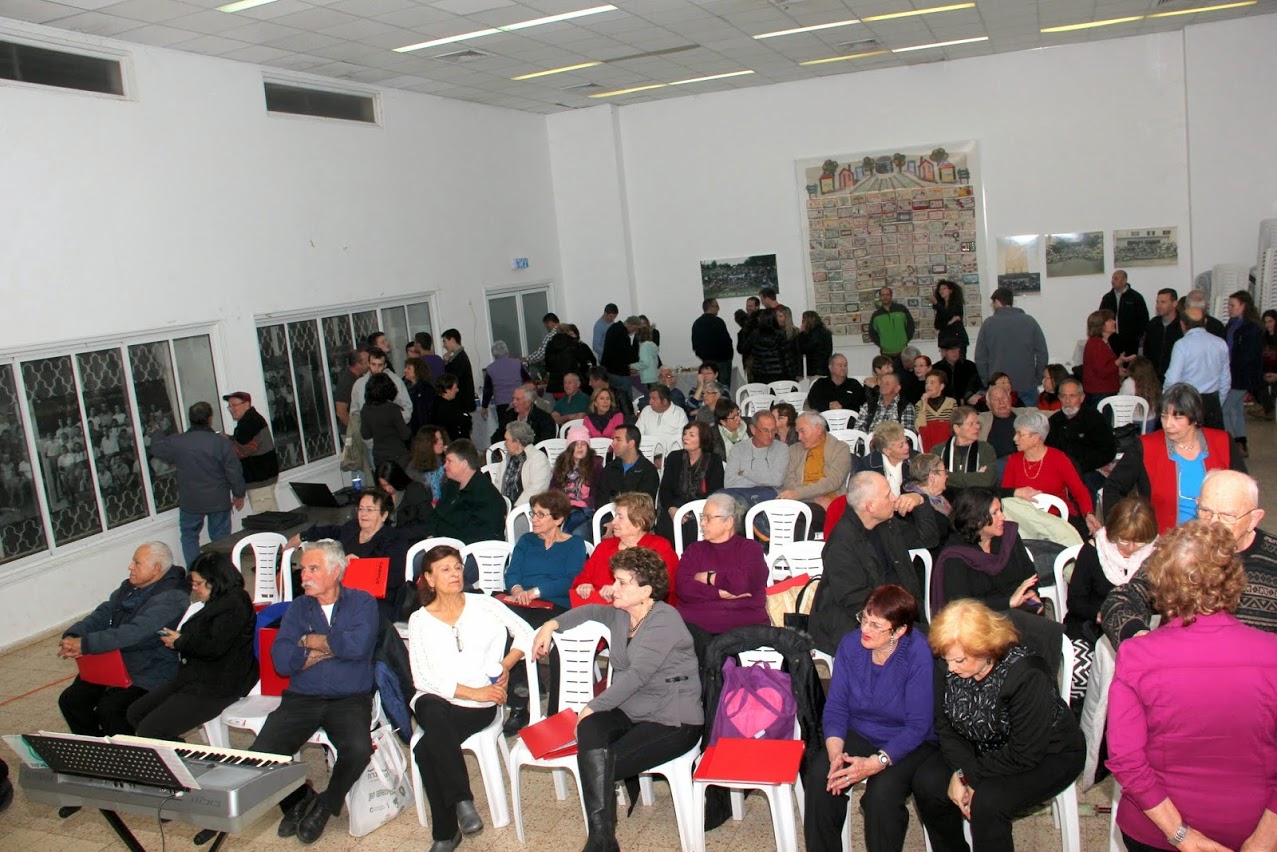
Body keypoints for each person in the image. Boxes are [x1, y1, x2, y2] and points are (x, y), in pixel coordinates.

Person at [1106, 520, 1277, 852]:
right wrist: (1265, 838)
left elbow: (1127, 760)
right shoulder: (1271, 653)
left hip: (1157, 831)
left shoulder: (1136, 656)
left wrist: (1181, 835)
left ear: (1162, 584)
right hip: (1253, 825)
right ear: (1234, 579)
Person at [531, 547, 703, 852]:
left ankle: (600, 841)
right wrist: (550, 625)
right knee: (591, 732)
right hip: (633, 709)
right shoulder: (622, 614)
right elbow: (589, 611)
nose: (613, 588)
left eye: (622, 582)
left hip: (673, 718)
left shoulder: (665, 619)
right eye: (615, 580)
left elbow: (637, 676)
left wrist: (591, 706)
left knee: (597, 766)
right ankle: (603, 838)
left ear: (646, 591)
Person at [914, 600, 1085, 852]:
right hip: (982, 743)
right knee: (926, 783)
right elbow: (945, 726)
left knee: (988, 803)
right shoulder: (948, 662)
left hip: (1047, 753)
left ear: (985, 649)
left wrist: (966, 776)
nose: (951, 668)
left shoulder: (1026, 675)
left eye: (960, 660)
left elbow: (1024, 753)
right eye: (947, 659)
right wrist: (963, 769)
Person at [251, 540, 378, 845]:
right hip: (303, 697)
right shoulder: (299, 607)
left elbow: (358, 647)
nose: (304, 575)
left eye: (313, 568)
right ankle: (298, 800)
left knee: (358, 749)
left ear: (335, 571)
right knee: (262, 754)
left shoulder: (362, 602)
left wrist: (309, 641)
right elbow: (281, 661)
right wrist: (334, 645)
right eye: (303, 569)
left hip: (349, 698)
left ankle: (325, 804)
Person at [407, 544, 533, 851]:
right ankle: (462, 800)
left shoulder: (484, 605)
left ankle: (445, 834)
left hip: (479, 704)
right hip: (437, 698)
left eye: (457, 567)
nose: (454, 574)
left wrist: (505, 665)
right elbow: (422, 678)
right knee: (430, 706)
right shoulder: (420, 620)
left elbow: (527, 633)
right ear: (429, 578)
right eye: (445, 570)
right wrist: (472, 690)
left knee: (426, 748)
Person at [804, 584, 937, 852]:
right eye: (864, 618)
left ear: (899, 631)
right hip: (862, 730)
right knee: (820, 777)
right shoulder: (850, 645)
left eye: (876, 625)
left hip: (909, 740)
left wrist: (878, 762)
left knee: (881, 795)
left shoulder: (917, 652)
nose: (865, 628)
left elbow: (918, 726)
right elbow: (837, 707)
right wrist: (835, 755)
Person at [1102, 469, 1277, 644]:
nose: (1213, 523)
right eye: (1205, 511)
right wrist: (1139, 637)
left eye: (1227, 516)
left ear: (1254, 519)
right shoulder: (1181, 550)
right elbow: (1122, 599)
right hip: (1180, 657)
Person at [57, 543, 189, 740]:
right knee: (71, 701)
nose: (130, 566)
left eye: (137, 563)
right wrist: (74, 636)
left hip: (150, 670)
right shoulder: (130, 588)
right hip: (116, 663)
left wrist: (86, 644)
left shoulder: (172, 597)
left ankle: (132, 755)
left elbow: (135, 634)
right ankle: (100, 751)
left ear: (156, 568)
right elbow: (103, 614)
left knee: (111, 710)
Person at [126, 551, 258, 741]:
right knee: (136, 713)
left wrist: (179, 641)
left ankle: (179, 756)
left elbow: (215, 647)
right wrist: (180, 638)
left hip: (220, 685)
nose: (194, 588)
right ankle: (176, 751)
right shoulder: (217, 600)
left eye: (198, 583)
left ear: (215, 581)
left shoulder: (235, 603)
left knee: (151, 729)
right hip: (195, 676)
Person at [810, 473, 937, 654]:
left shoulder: (886, 524)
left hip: (900, 617)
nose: (894, 498)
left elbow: (929, 539)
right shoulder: (841, 544)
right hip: (861, 627)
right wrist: (901, 627)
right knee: (930, 651)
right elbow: (858, 603)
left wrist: (920, 500)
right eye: (887, 495)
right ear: (870, 506)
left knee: (947, 643)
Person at [1100, 384, 1238, 534]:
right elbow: (1113, 487)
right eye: (1164, 416)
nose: (1167, 424)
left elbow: (1242, 491)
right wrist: (1122, 529)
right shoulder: (1145, 447)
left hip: (1214, 537)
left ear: (1195, 418)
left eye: (1177, 418)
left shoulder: (1222, 442)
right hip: (1164, 539)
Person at [288, 488, 410, 621]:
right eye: (361, 509)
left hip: (375, 599)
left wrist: (359, 567)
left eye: (369, 510)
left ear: (384, 515)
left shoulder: (394, 539)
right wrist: (302, 536)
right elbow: (331, 530)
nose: (363, 514)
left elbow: (394, 578)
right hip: (341, 591)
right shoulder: (352, 527)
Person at [150, 401, 246, 566]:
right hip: (218, 499)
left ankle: (195, 573)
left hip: (191, 500)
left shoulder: (178, 442)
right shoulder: (220, 442)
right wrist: (239, 493)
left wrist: (157, 432)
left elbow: (157, 449)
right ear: (209, 419)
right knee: (221, 539)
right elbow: (234, 471)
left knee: (189, 536)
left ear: (190, 419)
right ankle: (220, 573)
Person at [930, 488, 1041, 616]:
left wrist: (1031, 593)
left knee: (1044, 625)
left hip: (1019, 609)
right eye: (995, 513)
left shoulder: (1009, 537)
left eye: (1000, 510)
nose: (1003, 517)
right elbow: (961, 604)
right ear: (977, 520)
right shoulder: (956, 554)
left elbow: (1029, 574)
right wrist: (1008, 602)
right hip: (981, 619)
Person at [1064, 495, 1155, 646]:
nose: (1130, 548)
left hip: (1140, 628)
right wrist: (1101, 614)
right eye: (1124, 540)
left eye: (1139, 542)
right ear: (1113, 533)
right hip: (1091, 626)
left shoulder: (1155, 554)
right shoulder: (1094, 551)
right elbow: (1075, 601)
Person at [674, 493, 768, 633]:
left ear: (728, 522)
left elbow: (744, 582)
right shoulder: (694, 550)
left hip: (743, 627)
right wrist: (719, 593)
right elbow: (683, 587)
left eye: (708, 518)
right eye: (702, 517)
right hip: (696, 627)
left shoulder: (750, 548)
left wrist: (709, 578)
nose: (702, 523)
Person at [570, 492, 678, 606]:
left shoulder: (659, 547)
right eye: (615, 516)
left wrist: (619, 590)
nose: (613, 522)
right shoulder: (604, 546)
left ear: (639, 522)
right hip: (597, 608)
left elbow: (663, 589)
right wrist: (584, 585)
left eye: (620, 517)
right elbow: (582, 577)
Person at [1001, 410, 1095, 534]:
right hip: (1025, 521)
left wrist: (1088, 513)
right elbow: (1006, 494)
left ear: (1036, 437)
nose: (1015, 438)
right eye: (1015, 433)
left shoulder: (1058, 458)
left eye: (1020, 434)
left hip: (1058, 518)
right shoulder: (1014, 460)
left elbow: (1079, 490)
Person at [973, 287, 1048, 407]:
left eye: (993, 303)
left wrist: (988, 381)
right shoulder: (1030, 321)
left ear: (997, 301)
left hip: (998, 386)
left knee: (1002, 417)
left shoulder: (988, 324)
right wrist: (1037, 378)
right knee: (1029, 417)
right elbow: (1042, 354)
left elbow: (980, 357)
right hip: (1026, 383)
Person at [422, 439, 507, 545]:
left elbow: (475, 535)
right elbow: (437, 514)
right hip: (445, 541)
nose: (445, 466)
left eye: (449, 461)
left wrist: (438, 538)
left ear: (464, 464)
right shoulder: (452, 485)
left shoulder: (485, 496)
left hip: (473, 549)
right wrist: (431, 534)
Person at [779, 411, 854, 529]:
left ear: (818, 429)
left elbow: (833, 481)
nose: (799, 437)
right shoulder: (794, 450)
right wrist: (813, 498)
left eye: (802, 431)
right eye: (798, 433)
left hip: (828, 504)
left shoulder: (840, 448)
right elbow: (789, 480)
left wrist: (798, 494)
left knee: (794, 517)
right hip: (802, 501)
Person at [1045, 378, 1116, 497]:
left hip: (1090, 469)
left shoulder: (1095, 419)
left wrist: (1077, 467)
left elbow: (1108, 451)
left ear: (1081, 398)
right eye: (1063, 396)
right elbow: (1047, 449)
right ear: (1059, 398)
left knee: (1084, 483)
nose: (1067, 401)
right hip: (1061, 469)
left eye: (1072, 396)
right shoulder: (1054, 421)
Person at [655, 421, 723, 543]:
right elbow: (665, 488)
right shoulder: (674, 457)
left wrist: (692, 510)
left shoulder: (714, 460)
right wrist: (671, 509)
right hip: (676, 505)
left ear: (703, 439)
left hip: (702, 506)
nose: (685, 438)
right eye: (685, 434)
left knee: (694, 524)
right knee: (667, 521)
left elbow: (715, 491)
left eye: (691, 435)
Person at [1163, 307, 1229, 430]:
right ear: (1205, 322)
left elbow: (1172, 380)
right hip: (1212, 401)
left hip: (1187, 402)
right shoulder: (1220, 343)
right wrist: (1218, 402)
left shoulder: (1181, 345)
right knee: (1213, 439)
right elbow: (1225, 380)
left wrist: (1166, 401)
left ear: (1182, 324)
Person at [720, 410, 789, 515]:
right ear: (753, 429)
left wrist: (746, 472)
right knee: (718, 498)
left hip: (768, 495)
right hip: (739, 493)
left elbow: (776, 480)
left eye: (773, 430)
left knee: (745, 507)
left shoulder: (782, 448)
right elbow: (729, 482)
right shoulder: (738, 449)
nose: (770, 435)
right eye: (765, 430)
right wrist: (764, 481)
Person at [1223, 289, 1264, 457]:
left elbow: (1248, 356)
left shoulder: (1252, 328)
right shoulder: (1232, 324)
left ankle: (1231, 445)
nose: (1229, 308)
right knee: (1236, 409)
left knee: (1224, 409)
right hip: (1232, 374)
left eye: (1232, 305)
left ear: (1243, 306)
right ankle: (1241, 443)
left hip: (1242, 376)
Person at [222, 391, 279, 512]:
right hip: (264, 477)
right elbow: (245, 444)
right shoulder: (251, 420)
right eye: (229, 406)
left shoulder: (249, 423)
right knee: (273, 515)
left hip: (260, 480)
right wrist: (229, 438)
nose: (231, 409)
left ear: (246, 404)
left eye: (234, 405)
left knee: (265, 518)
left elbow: (241, 451)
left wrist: (225, 442)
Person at [551, 426, 605, 537]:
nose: (579, 447)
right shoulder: (561, 464)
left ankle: (564, 541)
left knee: (573, 523)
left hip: (584, 509)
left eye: (583, 444)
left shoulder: (595, 466)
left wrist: (582, 503)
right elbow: (553, 489)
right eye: (575, 444)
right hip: (564, 507)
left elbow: (598, 493)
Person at [493, 421, 552, 508]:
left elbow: (537, 489)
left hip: (525, 508)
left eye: (507, 440)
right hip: (503, 506)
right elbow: (497, 484)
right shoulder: (508, 459)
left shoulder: (538, 459)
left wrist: (515, 508)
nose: (505, 443)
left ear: (517, 442)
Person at [938, 405, 997, 492]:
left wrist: (947, 475)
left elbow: (987, 480)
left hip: (977, 497)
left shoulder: (985, 449)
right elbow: (934, 479)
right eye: (971, 424)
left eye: (978, 423)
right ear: (957, 428)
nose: (977, 427)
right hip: (946, 497)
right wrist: (975, 476)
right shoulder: (939, 451)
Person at [361, 372, 413, 470]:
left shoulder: (365, 409)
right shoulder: (392, 408)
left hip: (379, 456)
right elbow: (405, 434)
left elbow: (365, 434)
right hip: (398, 455)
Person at [350, 347, 413, 425]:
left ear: (385, 365)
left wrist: (394, 424)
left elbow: (407, 407)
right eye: (373, 364)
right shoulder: (359, 384)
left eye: (380, 365)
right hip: (369, 429)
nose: (376, 369)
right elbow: (355, 413)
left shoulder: (396, 381)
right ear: (368, 364)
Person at [855, 421, 918, 497]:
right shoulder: (867, 465)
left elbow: (925, 491)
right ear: (887, 451)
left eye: (906, 442)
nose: (907, 447)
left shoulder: (917, 460)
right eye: (901, 445)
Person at [599, 425, 659, 505]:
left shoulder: (648, 471)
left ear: (631, 443)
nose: (613, 443)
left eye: (618, 440)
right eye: (613, 439)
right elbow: (601, 500)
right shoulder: (610, 468)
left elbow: (644, 505)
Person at [481, 340, 532, 430]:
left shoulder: (490, 369)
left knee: (505, 429)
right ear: (507, 351)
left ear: (494, 354)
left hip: (502, 404)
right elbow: (528, 381)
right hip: (519, 401)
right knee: (521, 427)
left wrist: (484, 407)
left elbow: (488, 390)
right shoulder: (517, 363)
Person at [1099, 269, 1150, 358]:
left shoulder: (1136, 297)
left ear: (1124, 280)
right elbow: (1101, 317)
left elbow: (1143, 319)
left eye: (1116, 278)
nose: (1112, 281)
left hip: (1131, 341)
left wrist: (1138, 337)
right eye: (1112, 278)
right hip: (1111, 339)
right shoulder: (1107, 298)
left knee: (1129, 364)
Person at [1082, 309, 1128, 401]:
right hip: (1101, 392)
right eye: (1109, 320)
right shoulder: (1096, 344)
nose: (1114, 322)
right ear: (1101, 325)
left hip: (1102, 391)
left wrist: (1118, 370)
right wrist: (1119, 361)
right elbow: (1102, 371)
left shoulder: (1100, 343)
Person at [375, 459, 433, 534]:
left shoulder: (415, 490)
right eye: (383, 485)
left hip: (412, 535)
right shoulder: (382, 494)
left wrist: (397, 533)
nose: (387, 489)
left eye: (389, 484)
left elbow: (428, 521)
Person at [633, 383, 688, 460]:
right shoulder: (646, 411)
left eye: (654, 399)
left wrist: (664, 459)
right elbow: (637, 434)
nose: (650, 402)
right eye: (650, 398)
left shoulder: (679, 414)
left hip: (669, 458)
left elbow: (681, 442)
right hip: (645, 455)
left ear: (665, 401)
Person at [741, 308, 797, 383]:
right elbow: (786, 357)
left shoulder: (755, 334)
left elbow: (744, 348)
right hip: (778, 373)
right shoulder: (780, 334)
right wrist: (791, 376)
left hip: (760, 373)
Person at [692, 298, 735, 389]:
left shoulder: (697, 323)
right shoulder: (718, 322)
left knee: (709, 389)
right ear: (710, 307)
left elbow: (695, 345)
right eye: (716, 306)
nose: (718, 308)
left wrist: (704, 358)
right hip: (723, 361)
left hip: (707, 362)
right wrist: (729, 357)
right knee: (724, 389)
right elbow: (727, 341)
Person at [1141, 288, 1181, 381]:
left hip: (1175, 378)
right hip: (1153, 378)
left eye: (1163, 302)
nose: (1158, 306)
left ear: (1174, 303)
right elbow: (1146, 351)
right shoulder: (1153, 324)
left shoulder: (1182, 326)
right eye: (1157, 302)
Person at [869, 287, 915, 360]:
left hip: (903, 352)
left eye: (887, 295)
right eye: (883, 295)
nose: (885, 297)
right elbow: (872, 332)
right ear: (880, 297)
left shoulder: (902, 309)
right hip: (886, 354)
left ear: (891, 296)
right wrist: (882, 344)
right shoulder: (876, 315)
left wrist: (905, 340)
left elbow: (911, 325)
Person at [333, 348, 369, 442]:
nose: (369, 365)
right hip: (351, 434)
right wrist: (357, 430)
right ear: (358, 364)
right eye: (366, 362)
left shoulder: (360, 378)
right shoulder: (346, 382)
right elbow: (341, 412)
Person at [1117, 356, 1161, 432]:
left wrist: (1121, 379)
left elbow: (1120, 401)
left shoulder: (1129, 383)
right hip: (1150, 419)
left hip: (1133, 420)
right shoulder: (1154, 382)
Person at [601, 314, 641, 395]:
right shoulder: (623, 335)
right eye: (635, 329)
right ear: (631, 325)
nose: (635, 331)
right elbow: (628, 356)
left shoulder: (613, 327)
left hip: (607, 370)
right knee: (626, 395)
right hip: (619, 372)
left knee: (613, 395)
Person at [936, 340, 984, 406]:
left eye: (957, 350)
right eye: (951, 350)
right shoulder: (937, 368)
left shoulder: (969, 366)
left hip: (967, 403)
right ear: (944, 352)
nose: (955, 353)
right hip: (944, 404)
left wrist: (967, 396)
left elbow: (975, 384)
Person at [440, 328, 477, 413]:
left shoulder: (459, 359)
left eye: (445, 341)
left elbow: (451, 379)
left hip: (462, 403)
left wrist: (447, 364)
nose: (444, 345)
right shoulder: (459, 357)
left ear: (452, 340)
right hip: (463, 403)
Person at [407, 426, 447, 501]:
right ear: (426, 444)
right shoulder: (413, 468)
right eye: (436, 440)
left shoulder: (444, 461)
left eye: (441, 438)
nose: (441, 442)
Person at [432, 374, 473, 442]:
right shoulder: (446, 409)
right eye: (455, 387)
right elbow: (464, 422)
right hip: (455, 443)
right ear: (447, 389)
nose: (457, 390)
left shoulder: (436, 404)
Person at [403, 356, 436, 436]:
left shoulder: (426, 388)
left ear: (417, 371)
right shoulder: (403, 386)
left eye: (409, 368)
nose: (405, 370)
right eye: (405, 368)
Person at [933, 279, 968, 354]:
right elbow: (937, 325)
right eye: (940, 289)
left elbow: (948, 314)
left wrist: (936, 304)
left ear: (950, 291)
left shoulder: (956, 304)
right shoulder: (940, 306)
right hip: (944, 340)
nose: (941, 291)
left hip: (958, 339)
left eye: (944, 288)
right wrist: (950, 322)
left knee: (959, 360)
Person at [797, 310, 834, 378]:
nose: (802, 323)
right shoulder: (825, 332)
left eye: (803, 321)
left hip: (815, 370)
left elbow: (803, 349)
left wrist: (801, 334)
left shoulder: (812, 334)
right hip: (826, 368)